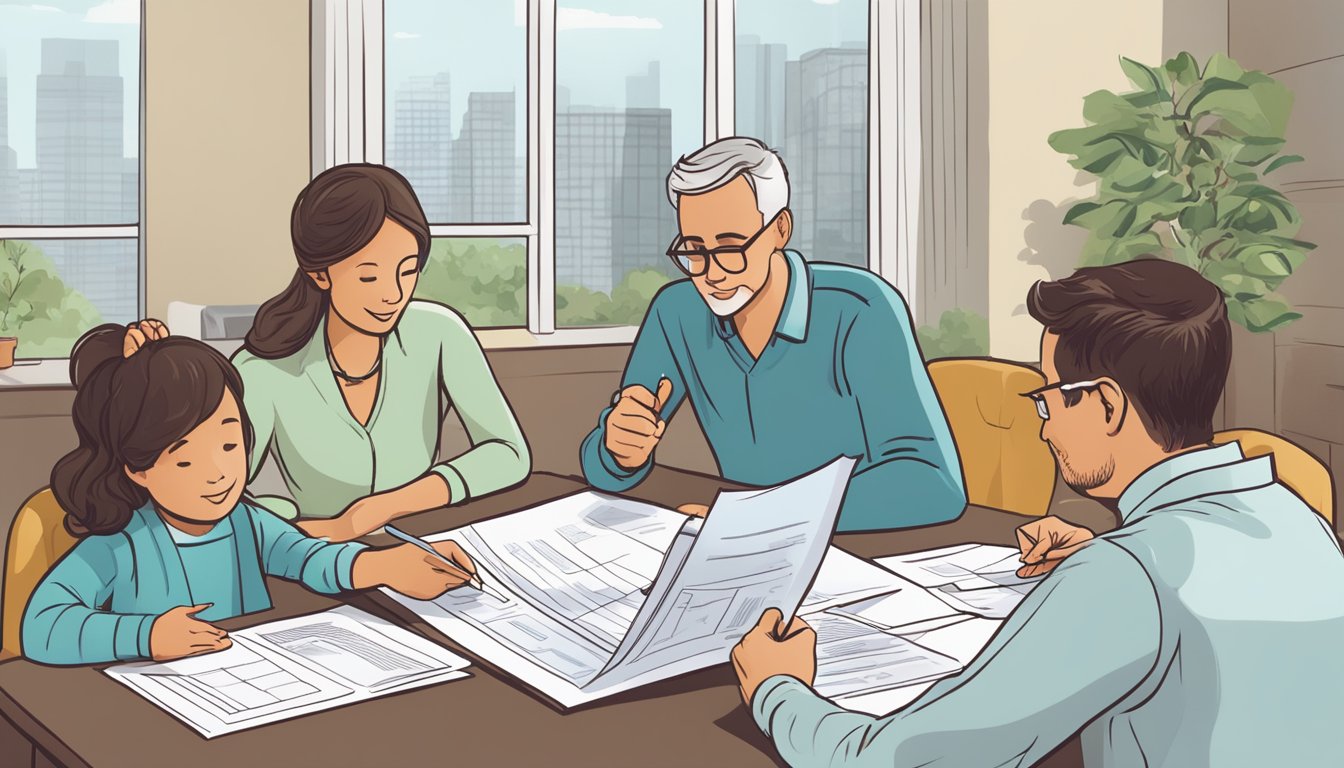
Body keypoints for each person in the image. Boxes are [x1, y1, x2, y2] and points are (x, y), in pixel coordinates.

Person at [730, 258, 1344, 766]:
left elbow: (899, 760)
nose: (1044, 429)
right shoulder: (1300, 524)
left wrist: (778, 690)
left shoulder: (1131, 577)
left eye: (1047, 397)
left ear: (1105, 405)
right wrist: (1108, 560)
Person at [23, 325, 480, 666]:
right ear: (137, 469)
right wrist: (146, 636)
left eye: (228, 444)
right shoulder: (119, 547)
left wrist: (386, 565)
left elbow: (308, 557)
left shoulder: (246, 521)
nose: (218, 474)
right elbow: (41, 627)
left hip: (256, 687)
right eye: (185, 460)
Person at [579, 137, 964, 531]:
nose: (711, 273)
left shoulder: (861, 308)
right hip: (744, 551)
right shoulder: (676, 310)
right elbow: (603, 468)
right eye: (694, 250)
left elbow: (932, 482)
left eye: (731, 247)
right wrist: (619, 450)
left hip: (857, 548)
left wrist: (761, 516)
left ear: (780, 229)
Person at [231, 163, 530, 541]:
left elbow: (509, 453)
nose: (392, 294)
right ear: (320, 273)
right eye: (368, 276)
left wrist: (383, 507)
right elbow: (215, 494)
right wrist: (287, 520)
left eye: (407, 272)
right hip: (322, 558)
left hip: (426, 542)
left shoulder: (439, 332)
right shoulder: (262, 371)